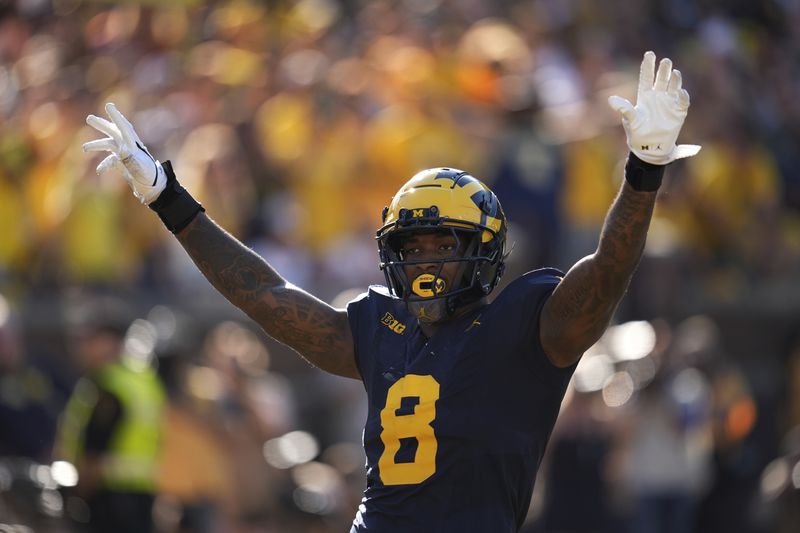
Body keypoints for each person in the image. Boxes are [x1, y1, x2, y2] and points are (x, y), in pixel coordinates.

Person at [82, 51, 700, 532]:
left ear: (484, 252)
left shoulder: (529, 324)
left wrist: (643, 172)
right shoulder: (379, 331)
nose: (426, 259)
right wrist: (169, 198)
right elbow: (263, 294)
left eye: (444, 244)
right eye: (412, 247)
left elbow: (607, 274)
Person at [54, 297, 166, 533]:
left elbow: (94, 455)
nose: (81, 347)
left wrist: (74, 497)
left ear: (108, 341)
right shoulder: (143, 380)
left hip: (110, 503)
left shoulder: (107, 386)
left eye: (88, 339)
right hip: (143, 498)